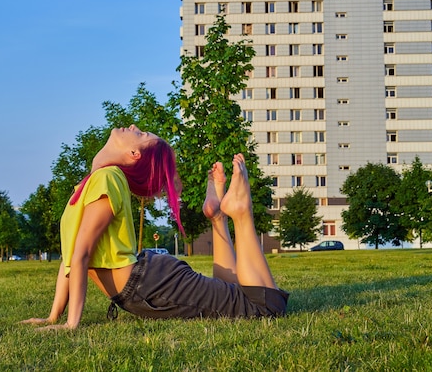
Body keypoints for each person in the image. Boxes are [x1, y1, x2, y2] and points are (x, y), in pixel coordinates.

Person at [21, 125, 288, 330]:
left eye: (141, 133)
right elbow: (70, 258)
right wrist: (52, 316)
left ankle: (241, 214)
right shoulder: (92, 182)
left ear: (134, 154)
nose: (134, 128)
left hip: (148, 284)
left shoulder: (106, 179)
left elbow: (81, 255)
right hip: (147, 281)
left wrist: (71, 324)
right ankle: (217, 217)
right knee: (231, 294)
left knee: (266, 308)